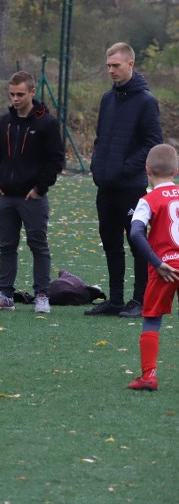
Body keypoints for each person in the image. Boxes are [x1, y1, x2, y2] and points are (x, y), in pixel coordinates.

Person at [87, 42, 163, 318]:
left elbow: (153, 143)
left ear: (130, 64)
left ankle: (140, 300)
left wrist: (123, 168)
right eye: (108, 65)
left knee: (136, 243)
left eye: (116, 65)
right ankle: (116, 300)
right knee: (110, 241)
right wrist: (98, 166)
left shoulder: (146, 101)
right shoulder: (108, 99)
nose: (111, 70)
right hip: (106, 186)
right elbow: (100, 139)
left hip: (131, 187)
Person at [0, 71, 65, 313]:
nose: (15, 99)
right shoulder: (4, 122)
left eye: (20, 94)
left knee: (38, 246)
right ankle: (5, 294)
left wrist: (40, 189)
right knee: (6, 247)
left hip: (32, 198)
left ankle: (42, 295)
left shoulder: (47, 124)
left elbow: (56, 159)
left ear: (32, 92)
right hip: (5, 197)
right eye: (12, 94)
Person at [126, 144, 179, 391]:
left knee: (152, 320)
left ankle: (149, 376)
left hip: (164, 268)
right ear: (176, 171)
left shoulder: (148, 200)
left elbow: (136, 233)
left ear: (147, 170)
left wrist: (157, 263)